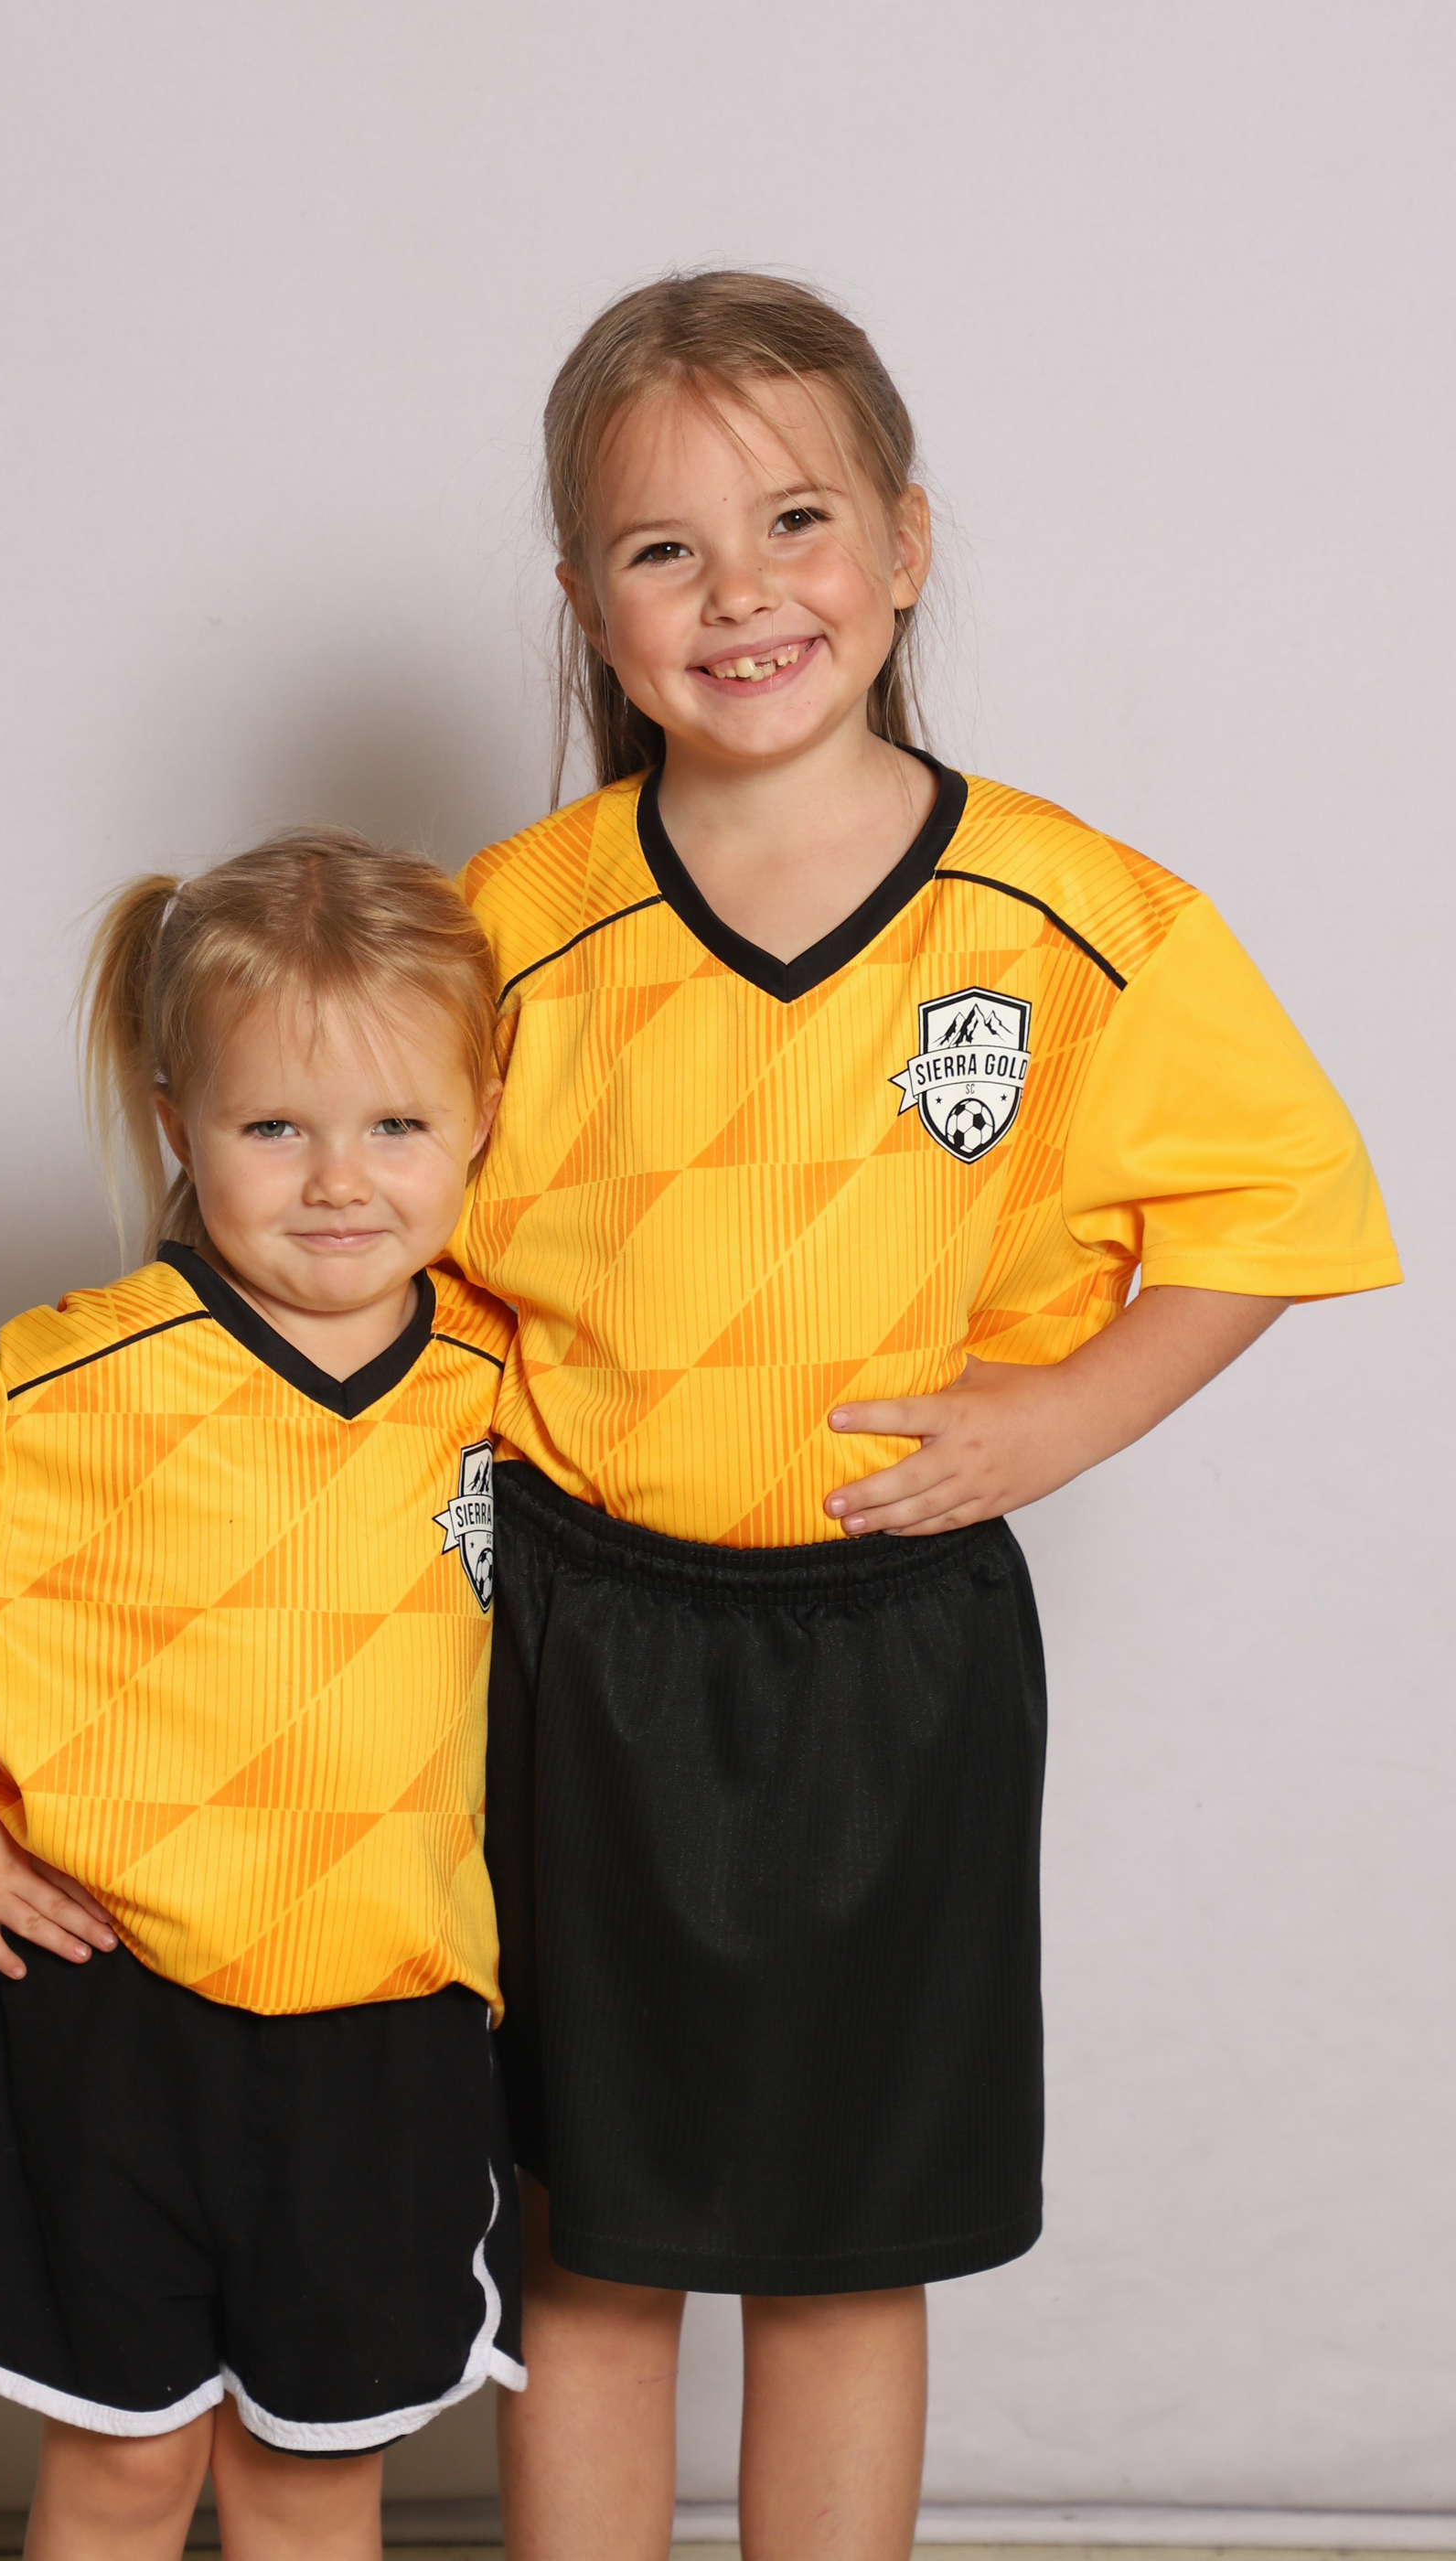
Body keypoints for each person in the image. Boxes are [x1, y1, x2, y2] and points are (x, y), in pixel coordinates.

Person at [451, 272, 1401, 2561]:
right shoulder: (507, 927)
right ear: (583, 602)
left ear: (903, 541)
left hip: (888, 1652)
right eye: (663, 547)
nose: (741, 590)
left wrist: (1062, 1416)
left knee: (843, 2233)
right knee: (583, 2225)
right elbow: (380, 1262)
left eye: (794, 518)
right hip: (574, 1643)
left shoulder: (1072, 914)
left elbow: (1273, 1206)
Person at [0, 833, 523, 2561]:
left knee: (313, 2478)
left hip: (386, 2028)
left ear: (483, 1119)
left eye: (398, 1125)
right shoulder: (64, 1387)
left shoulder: (506, 1375)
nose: (341, 1181)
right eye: (276, 1128)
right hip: (118, 2023)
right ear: (180, 1122)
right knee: (127, 2468)